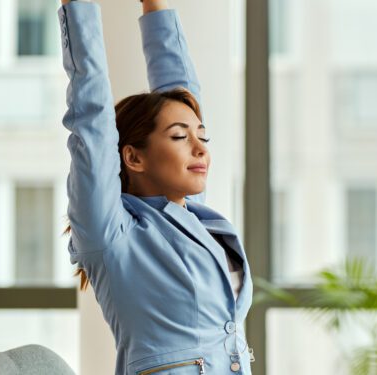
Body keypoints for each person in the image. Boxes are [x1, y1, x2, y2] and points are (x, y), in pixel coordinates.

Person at [57, 0, 253, 373]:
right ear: (133, 158)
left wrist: (155, 5)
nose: (200, 148)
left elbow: (181, 88)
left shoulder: (192, 217)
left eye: (203, 137)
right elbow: (92, 118)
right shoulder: (112, 232)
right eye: (180, 137)